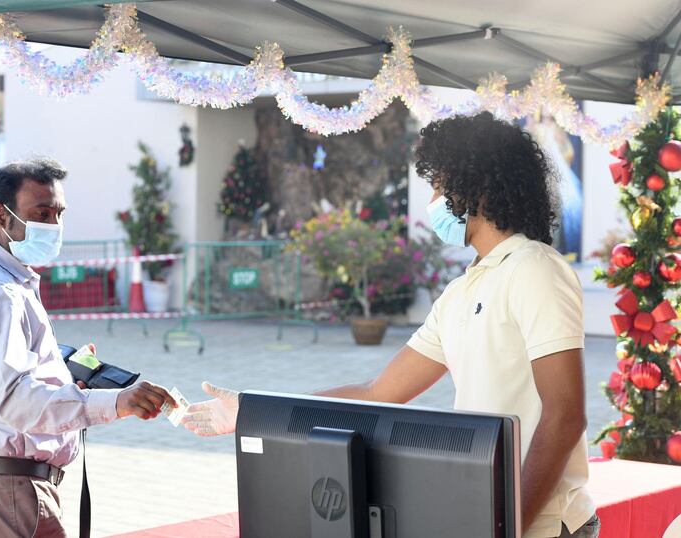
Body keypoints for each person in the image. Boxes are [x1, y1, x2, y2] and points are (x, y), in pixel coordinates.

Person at [182, 112, 600, 538]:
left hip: (546, 524)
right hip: (491, 517)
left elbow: (565, 414)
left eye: (438, 185)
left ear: (472, 186)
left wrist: (511, 522)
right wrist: (257, 412)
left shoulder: (535, 268)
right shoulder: (460, 292)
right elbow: (377, 392)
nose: (433, 199)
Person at [0, 158, 177, 537]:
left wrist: (61, 374)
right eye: (42, 214)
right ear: (1, 215)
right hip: (7, 489)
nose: (54, 226)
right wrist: (116, 402)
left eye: (58, 213)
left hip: (2, 484)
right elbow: (17, 402)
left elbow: (3, 382)